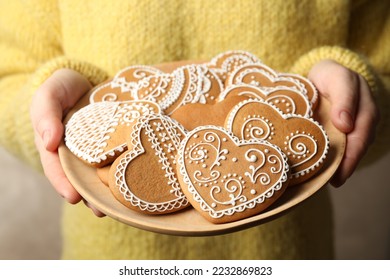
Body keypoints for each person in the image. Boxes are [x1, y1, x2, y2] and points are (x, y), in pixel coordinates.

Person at [0, 0, 388, 259]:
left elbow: (383, 66)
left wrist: (356, 99)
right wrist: (47, 110)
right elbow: (9, 73)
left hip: (290, 255)